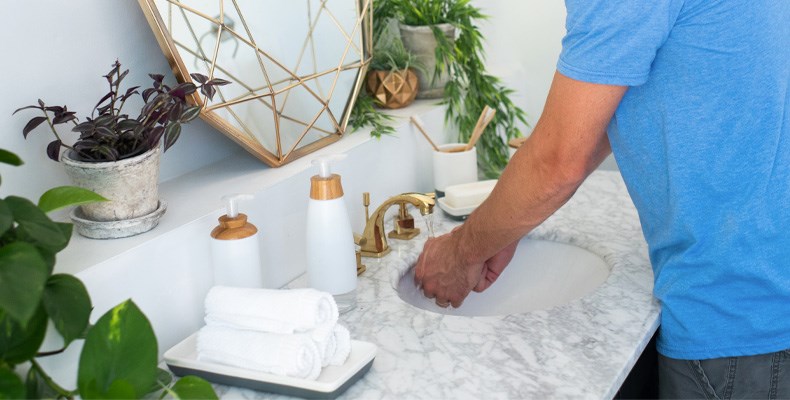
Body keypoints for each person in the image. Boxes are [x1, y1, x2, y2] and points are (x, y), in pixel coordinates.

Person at [413, 1, 789, 398]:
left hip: (740, 314)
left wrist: (463, 250)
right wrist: (505, 226)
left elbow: (558, 159)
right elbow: (601, 117)